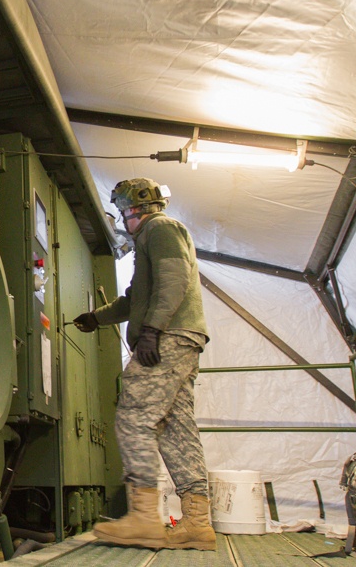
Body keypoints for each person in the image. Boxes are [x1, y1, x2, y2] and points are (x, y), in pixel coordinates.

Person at [74, 178, 214, 551]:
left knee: (134, 415)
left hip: (167, 336)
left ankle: (143, 519)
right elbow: (135, 298)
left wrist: (151, 330)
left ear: (132, 209)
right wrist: (96, 317)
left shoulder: (160, 229)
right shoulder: (153, 238)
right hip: (181, 337)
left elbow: (174, 279)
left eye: (122, 213)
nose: (122, 220)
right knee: (175, 428)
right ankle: (197, 524)